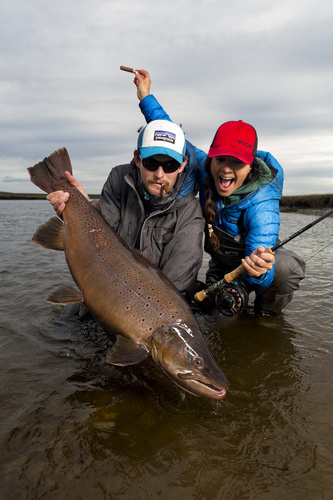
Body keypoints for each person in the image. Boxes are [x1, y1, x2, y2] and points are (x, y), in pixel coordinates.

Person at [133, 70, 305, 316]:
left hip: (257, 268)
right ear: (210, 157)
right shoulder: (202, 168)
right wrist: (145, 95)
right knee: (213, 320)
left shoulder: (263, 202)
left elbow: (260, 275)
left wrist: (258, 273)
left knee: (285, 267)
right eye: (220, 159)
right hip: (221, 267)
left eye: (236, 162)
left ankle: (268, 316)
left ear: (250, 165)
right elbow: (171, 134)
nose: (226, 169)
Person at [47, 119, 205, 302]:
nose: (159, 174)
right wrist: (81, 207)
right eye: (152, 163)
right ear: (137, 159)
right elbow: (99, 245)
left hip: (152, 305)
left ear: (182, 165)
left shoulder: (191, 214)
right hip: (103, 286)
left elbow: (179, 287)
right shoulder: (118, 180)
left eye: (170, 165)